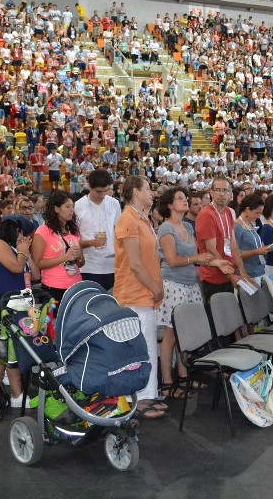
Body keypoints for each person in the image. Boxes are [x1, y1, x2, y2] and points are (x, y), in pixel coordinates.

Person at [155, 187, 227, 398]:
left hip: (189, 283)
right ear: (169, 205)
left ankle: (184, 375)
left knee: (183, 333)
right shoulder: (166, 229)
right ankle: (168, 382)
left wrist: (218, 262)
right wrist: (196, 260)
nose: (184, 201)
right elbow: (172, 260)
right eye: (179, 198)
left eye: (184, 198)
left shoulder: (187, 226)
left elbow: (198, 256)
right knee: (170, 335)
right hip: (173, 284)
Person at [114, 175, 165, 420]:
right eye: (148, 189)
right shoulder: (127, 220)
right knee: (140, 350)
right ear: (135, 192)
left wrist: (156, 286)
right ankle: (140, 398)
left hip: (145, 291)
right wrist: (155, 287)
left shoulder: (142, 219)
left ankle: (149, 394)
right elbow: (134, 263)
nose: (152, 193)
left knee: (147, 345)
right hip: (133, 293)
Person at [0, 219, 41, 420]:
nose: (22, 237)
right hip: (2, 304)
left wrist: (27, 253)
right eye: (19, 233)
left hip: (20, 303)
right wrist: (23, 251)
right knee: (0, 353)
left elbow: (35, 274)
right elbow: (16, 268)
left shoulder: (19, 251)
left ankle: (17, 394)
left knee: (14, 353)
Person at [195, 176, 252, 313]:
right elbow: (211, 249)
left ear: (230, 194)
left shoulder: (227, 212)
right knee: (219, 323)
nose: (222, 194)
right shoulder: (207, 215)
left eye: (225, 190)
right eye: (218, 190)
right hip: (214, 277)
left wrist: (242, 271)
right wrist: (231, 276)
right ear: (211, 192)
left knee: (230, 318)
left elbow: (232, 243)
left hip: (228, 273)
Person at [30, 191, 83, 301]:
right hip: (54, 286)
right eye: (67, 207)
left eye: (73, 206)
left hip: (75, 285)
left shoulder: (73, 230)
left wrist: (78, 257)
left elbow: (81, 263)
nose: (71, 210)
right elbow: (37, 263)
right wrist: (65, 257)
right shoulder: (43, 231)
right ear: (56, 209)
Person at [74, 169, 121, 290]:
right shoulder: (78, 206)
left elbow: (118, 233)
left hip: (112, 265)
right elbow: (73, 240)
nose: (102, 195)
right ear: (90, 186)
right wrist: (91, 243)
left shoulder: (114, 204)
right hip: (89, 266)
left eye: (106, 191)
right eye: (98, 191)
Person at [234, 193, 270, 286]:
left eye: (260, 213)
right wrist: (257, 251)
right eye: (257, 213)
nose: (258, 216)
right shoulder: (236, 227)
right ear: (247, 210)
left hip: (259, 270)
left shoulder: (250, 223)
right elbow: (235, 254)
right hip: (248, 273)